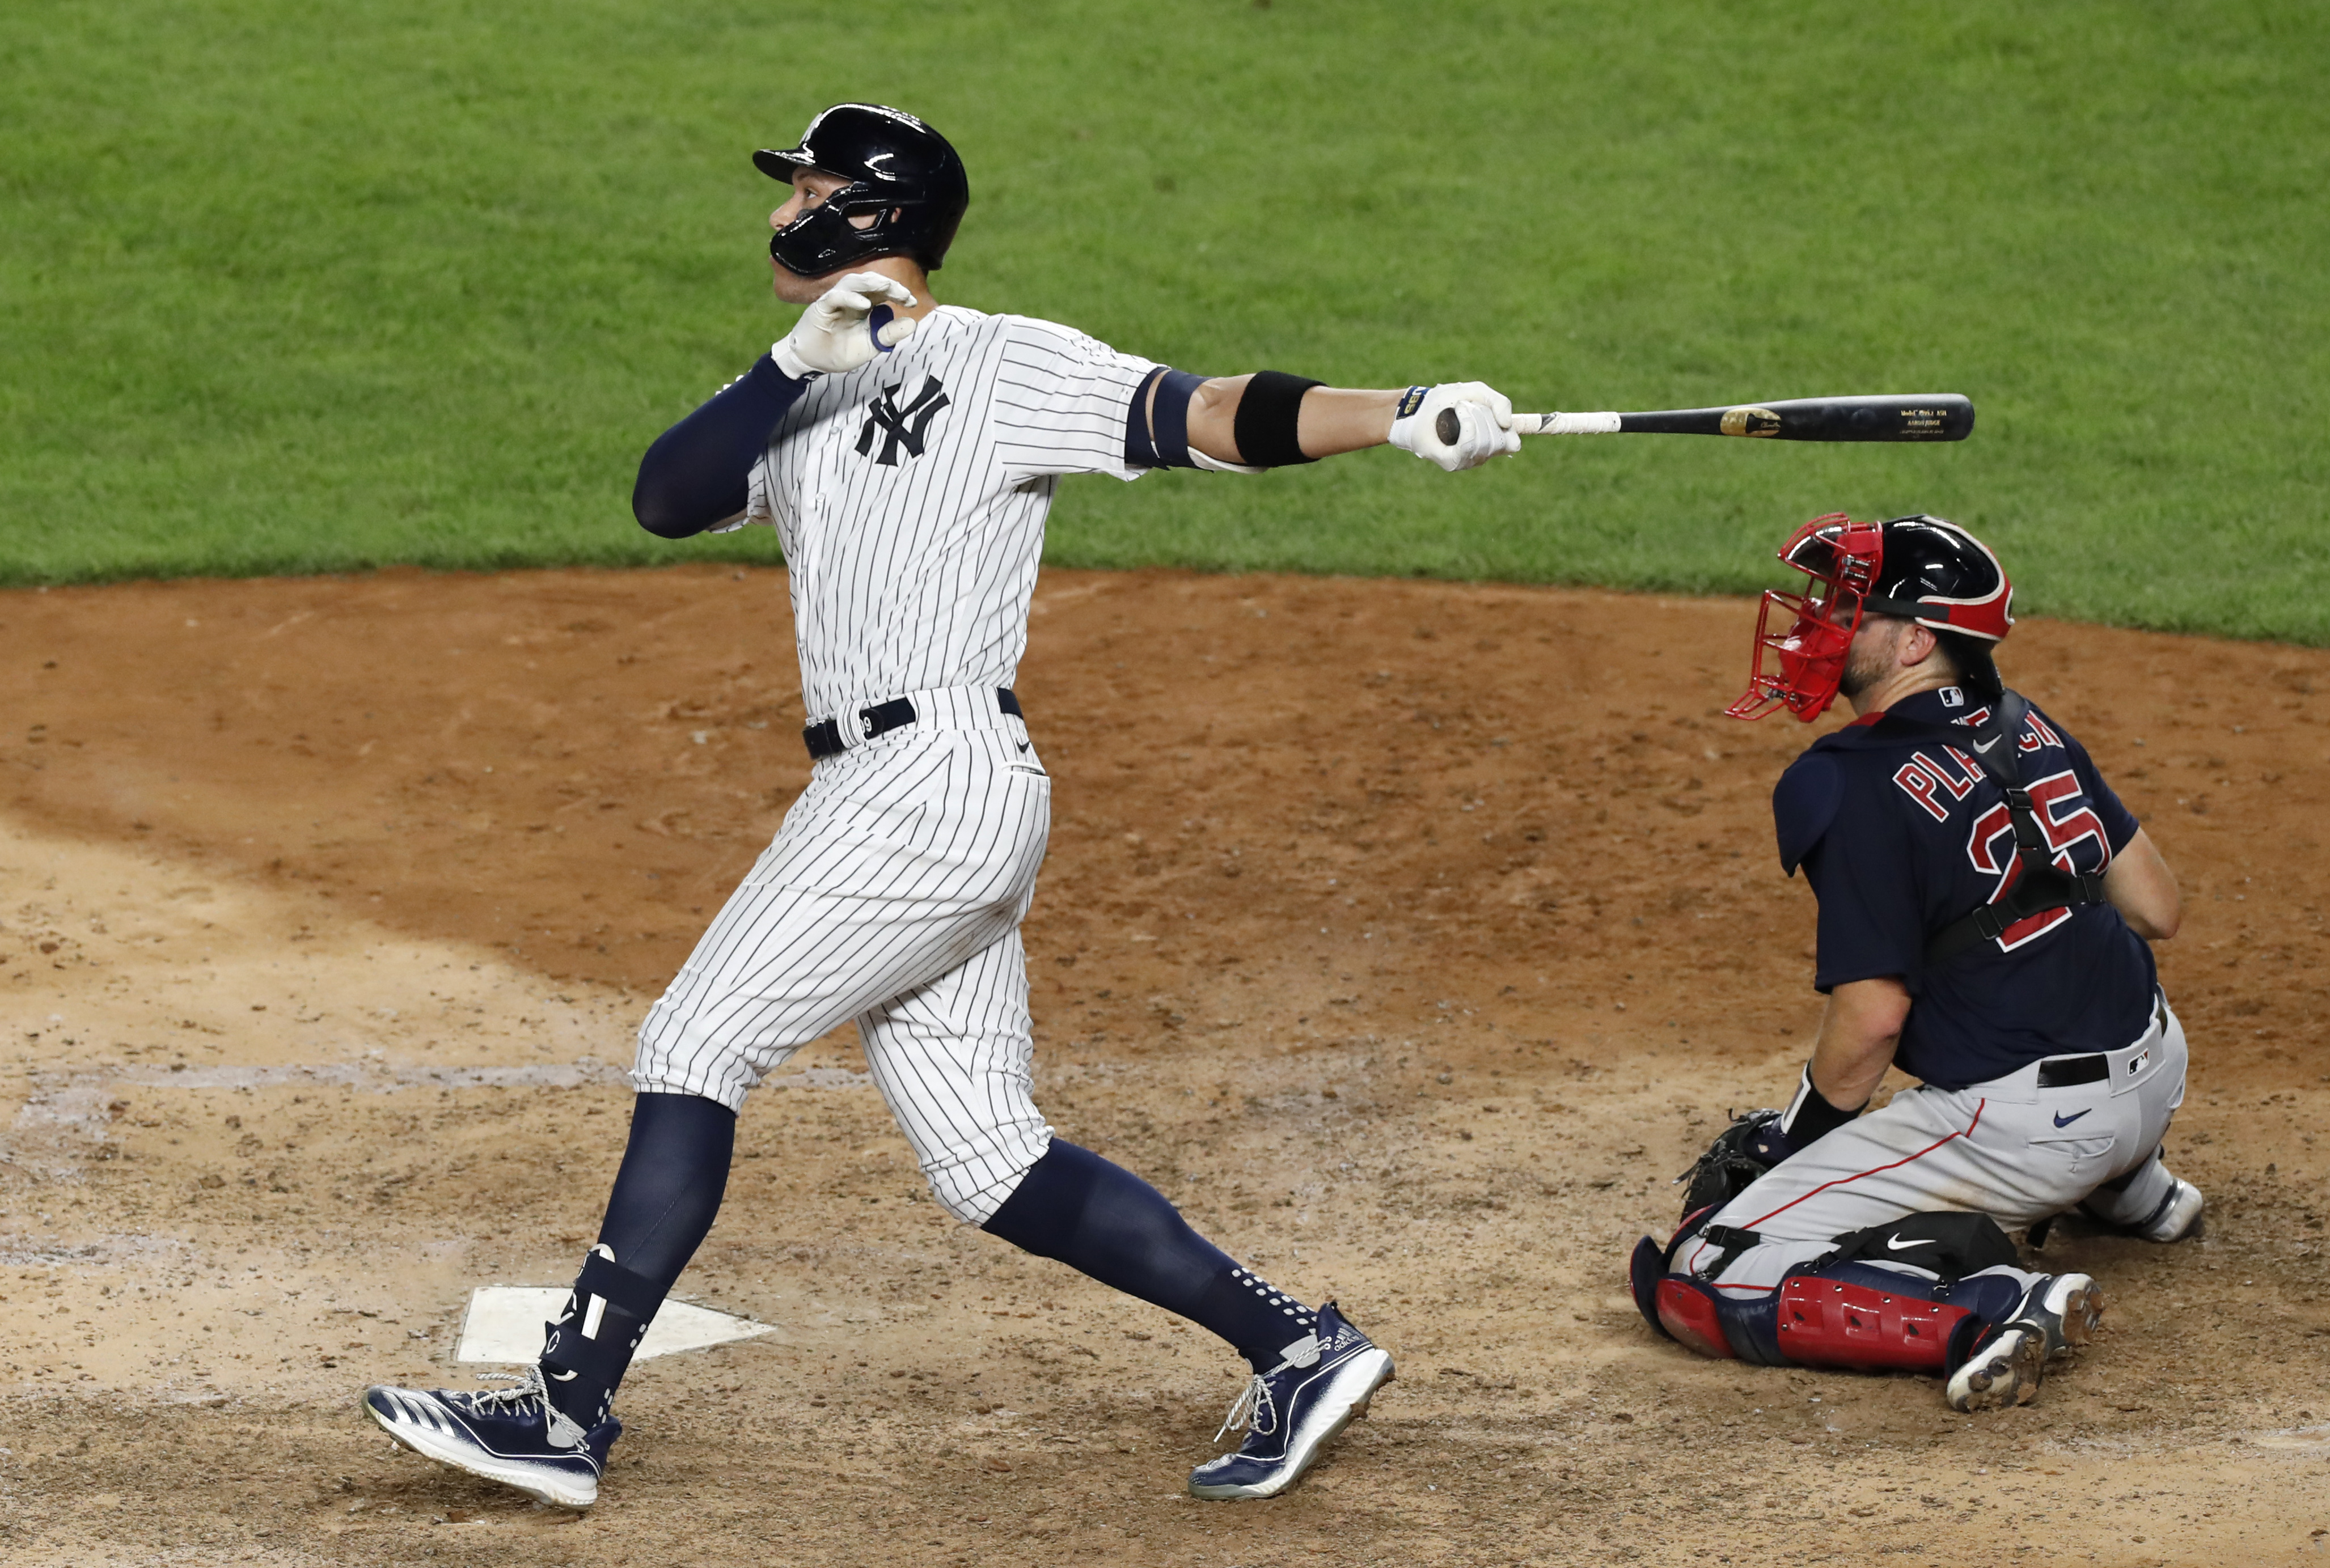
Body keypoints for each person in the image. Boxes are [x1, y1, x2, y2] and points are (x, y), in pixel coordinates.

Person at [361, 101, 1525, 1509]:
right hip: (890, 792)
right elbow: (663, 500)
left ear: (873, 208)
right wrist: (796, 359)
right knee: (989, 1157)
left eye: (805, 187)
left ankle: (563, 1412)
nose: (779, 213)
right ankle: (1294, 1345)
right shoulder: (795, 390)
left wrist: (1394, 416)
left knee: (693, 1040)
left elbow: (1206, 414)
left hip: (932, 784)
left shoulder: (1001, 359)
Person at [1628, 512, 2200, 1413]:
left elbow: (1870, 1026)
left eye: (1849, 607)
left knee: (1704, 1268)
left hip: (2032, 1129)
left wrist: (1791, 1146)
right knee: (2043, 963)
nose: (1816, 624)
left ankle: (1993, 1305)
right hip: (2156, 1067)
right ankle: (2136, 1192)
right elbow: (2156, 908)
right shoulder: (2024, 720)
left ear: (1917, 639)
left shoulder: (1844, 779)